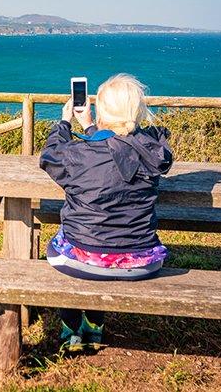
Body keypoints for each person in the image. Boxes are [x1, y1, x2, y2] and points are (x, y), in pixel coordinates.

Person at [39, 73, 173, 352]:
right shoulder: (151, 152)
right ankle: (95, 327)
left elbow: (51, 157)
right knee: (104, 243)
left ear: (100, 110)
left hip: (81, 261)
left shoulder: (80, 155)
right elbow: (119, 146)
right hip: (141, 263)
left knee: (65, 244)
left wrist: (64, 124)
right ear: (137, 112)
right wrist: (89, 127)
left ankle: (71, 329)